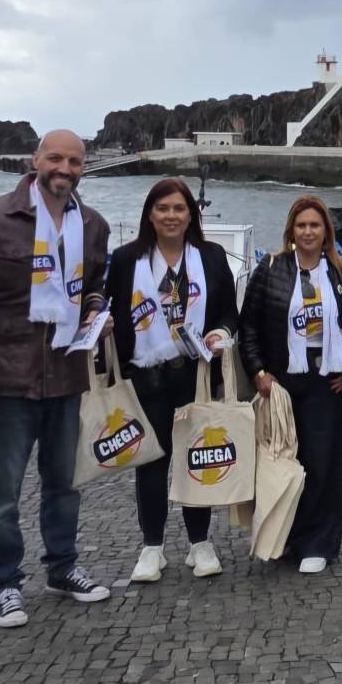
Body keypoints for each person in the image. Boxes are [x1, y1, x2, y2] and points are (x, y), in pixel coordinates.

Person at [0, 130, 114, 627]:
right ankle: (3, 583)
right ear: (35, 159)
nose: (65, 169)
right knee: (3, 494)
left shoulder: (94, 225)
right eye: (55, 158)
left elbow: (95, 284)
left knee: (65, 485)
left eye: (75, 161)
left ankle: (62, 567)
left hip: (66, 376)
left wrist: (95, 309)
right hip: (5, 380)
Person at [106, 178, 238, 583]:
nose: (171, 216)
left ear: (191, 215)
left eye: (179, 208)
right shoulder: (127, 259)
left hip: (195, 374)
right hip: (146, 377)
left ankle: (200, 542)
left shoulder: (211, 257)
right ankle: (152, 546)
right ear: (150, 213)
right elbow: (112, 311)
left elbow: (229, 312)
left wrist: (221, 333)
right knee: (151, 461)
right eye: (162, 208)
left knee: (197, 457)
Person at [240, 195, 342, 573]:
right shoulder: (270, 269)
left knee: (323, 464)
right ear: (291, 230)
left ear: (326, 230)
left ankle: (318, 541)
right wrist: (258, 372)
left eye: (315, 225)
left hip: (325, 381)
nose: (308, 231)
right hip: (280, 381)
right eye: (302, 225)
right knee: (281, 461)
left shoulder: (340, 272)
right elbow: (249, 326)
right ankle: (284, 535)